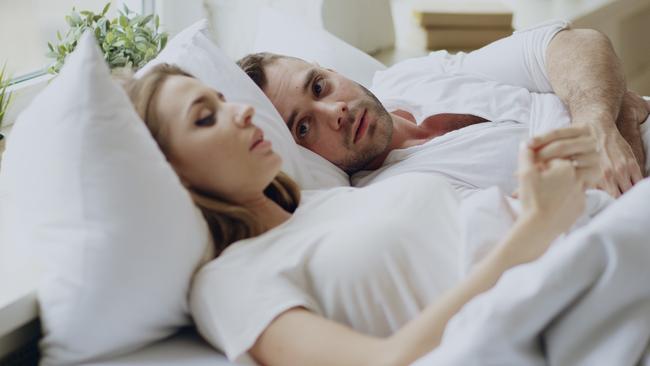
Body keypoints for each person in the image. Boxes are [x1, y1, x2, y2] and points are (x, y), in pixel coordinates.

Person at [125, 63, 608, 365]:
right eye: (205, 118)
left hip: (584, 243)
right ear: (171, 173)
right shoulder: (229, 281)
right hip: (553, 310)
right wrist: (533, 229)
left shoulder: (334, 196)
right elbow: (385, 360)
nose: (243, 114)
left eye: (223, 101)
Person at [238, 21, 650, 199]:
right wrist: (618, 109)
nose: (336, 111)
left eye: (318, 86)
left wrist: (596, 119)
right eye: (305, 127)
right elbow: (580, 224)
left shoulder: (410, 77)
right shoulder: (399, 193)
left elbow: (575, 44)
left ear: (331, 70)